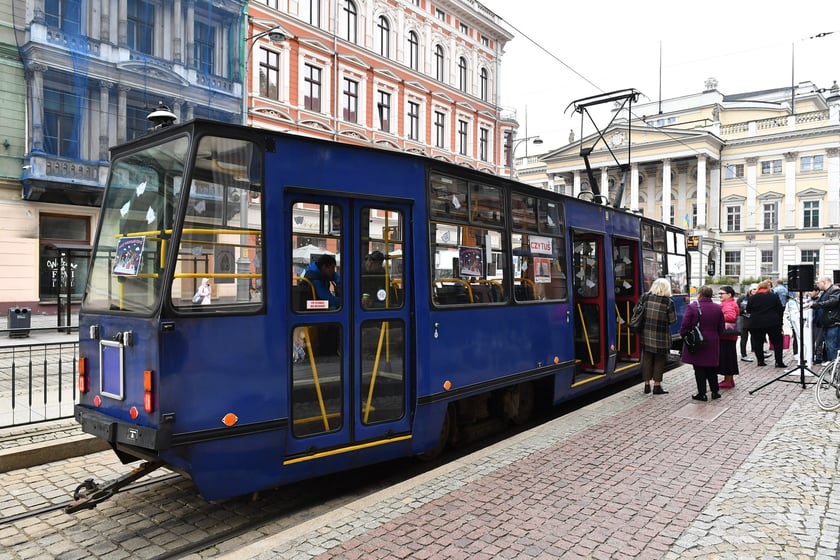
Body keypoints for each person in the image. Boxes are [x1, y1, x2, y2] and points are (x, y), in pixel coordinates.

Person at [680, 285, 724, 401]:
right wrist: (716, 336)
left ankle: (702, 393)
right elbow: (721, 327)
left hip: (697, 341)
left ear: (699, 295)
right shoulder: (718, 308)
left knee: (699, 368)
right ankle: (715, 392)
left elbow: (685, 325)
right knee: (712, 367)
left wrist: (685, 336)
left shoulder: (693, 307)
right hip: (713, 340)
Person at [638, 278, 677, 395]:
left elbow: (638, 312)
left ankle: (646, 385)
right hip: (661, 336)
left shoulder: (645, 297)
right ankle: (656, 386)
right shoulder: (668, 302)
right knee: (660, 360)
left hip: (646, 334)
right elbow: (672, 320)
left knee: (647, 358)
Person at [746, 279, 785, 367]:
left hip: (756, 323)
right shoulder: (773, 296)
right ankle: (779, 362)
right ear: (768, 288)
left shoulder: (752, 298)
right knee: (777, 342)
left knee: (758, 343)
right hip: (772, 322)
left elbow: (748, 310)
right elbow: (780, 309)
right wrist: (780, 321)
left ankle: (760, 361)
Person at [810, 276, 840, 363]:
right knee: (829, 347)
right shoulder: (827, 291)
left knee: (832, 347)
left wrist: (817, 304)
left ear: (824, 282)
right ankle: (833, 368)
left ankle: (835, 369)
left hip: (833, 323)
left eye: (818, 283)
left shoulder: (834, 290)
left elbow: (833, 302)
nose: (818, 285)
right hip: (828, 323)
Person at [718, 285, 740, 388]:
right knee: (729, 358)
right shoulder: (729, 303)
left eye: (722, 293)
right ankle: (729, 380)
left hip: (727, 336)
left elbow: (731, 316)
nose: (720, 295)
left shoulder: (728, 305)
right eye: (719, 293)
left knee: (727, 358)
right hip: (730, 336)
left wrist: (718, 316)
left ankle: (728, 380)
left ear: (729, 294)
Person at [737, 284, 758, 361]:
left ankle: (759, 352)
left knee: (756, 338)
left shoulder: (758, 298)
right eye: (754, 289)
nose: (755, 291)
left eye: (756, 289)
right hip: (744, 322)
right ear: (750, 290)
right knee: (744, 339)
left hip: (754, 321)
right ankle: (743, 354)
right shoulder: (742, 298)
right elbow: (737, 309)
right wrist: (743, 311)